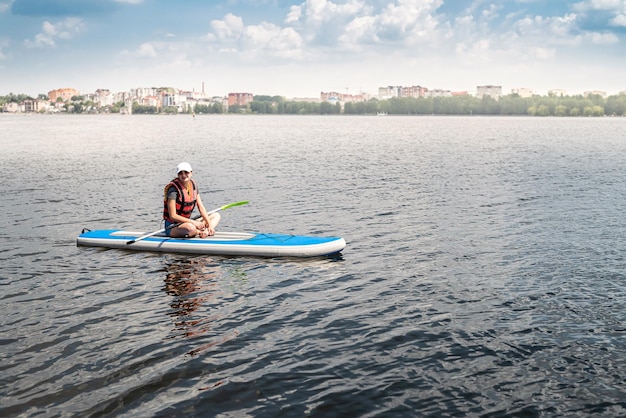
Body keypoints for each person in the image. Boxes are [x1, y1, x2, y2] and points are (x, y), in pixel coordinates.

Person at [163, 162, 220, 238]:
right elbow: (173, 216)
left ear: (191, 173)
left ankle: (207, 231)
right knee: (191, 228)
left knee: (216, 215)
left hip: (187, 222)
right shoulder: (173, 190)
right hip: (173, 226)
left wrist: (209, 225)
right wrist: (194, 223)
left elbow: (201, 208)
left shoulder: (193, 186)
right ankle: (200, 232)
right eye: (180, 173)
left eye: (186, 172)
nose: (183, 175)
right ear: (177, 175)